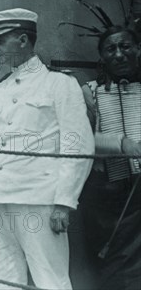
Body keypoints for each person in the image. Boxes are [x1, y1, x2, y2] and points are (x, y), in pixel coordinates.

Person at [0, 8, 94, 289]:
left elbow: (79, 145)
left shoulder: (59, 84)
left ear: (24, 40)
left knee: (51, 280)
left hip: (38, 200)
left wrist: (64, 202)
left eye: (1, 42)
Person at [79, 25, 141, 289]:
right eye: (110, 49)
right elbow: (78, 141)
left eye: (125, 46)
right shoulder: (90, 92)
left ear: (138, 49)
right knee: (119, 269)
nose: (118, 54)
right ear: (102, 56)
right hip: (111, 198)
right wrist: (121, 144)